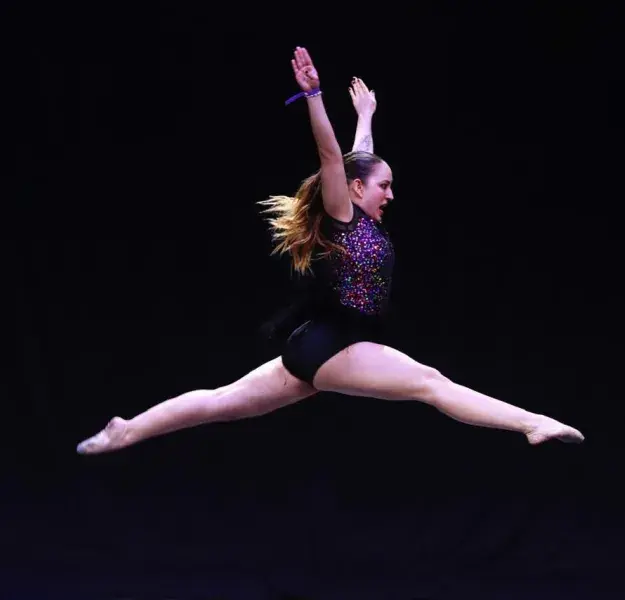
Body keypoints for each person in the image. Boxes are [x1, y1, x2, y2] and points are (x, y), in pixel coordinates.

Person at [76, 47, 584, 456]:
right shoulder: (343, 213)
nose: (390, 195)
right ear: (357, 190)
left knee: (222, 402)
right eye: (384, 187)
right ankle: (531, 422)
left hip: (321, 344)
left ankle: (127, 430)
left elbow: (358, 160)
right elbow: (333, 158)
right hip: (334, 344)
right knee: (430, 383)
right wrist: (315, 97)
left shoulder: (357, 210)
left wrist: (366, 115)